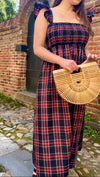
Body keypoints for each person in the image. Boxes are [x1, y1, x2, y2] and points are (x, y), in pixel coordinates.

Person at [32, 0, 99, 176]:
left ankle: (62, 168)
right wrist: (61, 61)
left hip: (76, 81)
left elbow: (81, 50)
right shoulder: (46, 13)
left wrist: (89, 60)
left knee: (71, 125)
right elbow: (37, 48)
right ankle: (41, 168)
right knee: (51, 126)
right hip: (52, 79)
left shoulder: (83, 17)